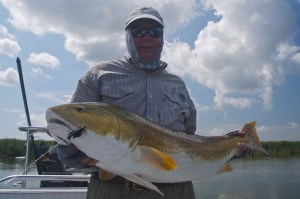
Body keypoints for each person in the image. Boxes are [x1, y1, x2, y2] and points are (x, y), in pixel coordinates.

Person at [57, 6, 249, 199]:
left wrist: (228, 148)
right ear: (127, 36)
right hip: (112, 189)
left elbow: (190, 140)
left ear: (162, 37)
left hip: (175, 190)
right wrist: (76, 156)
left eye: (154, 32)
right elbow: (68, 139)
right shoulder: (98, 75)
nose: (146, 37)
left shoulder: (178, 84)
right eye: (138, 31)